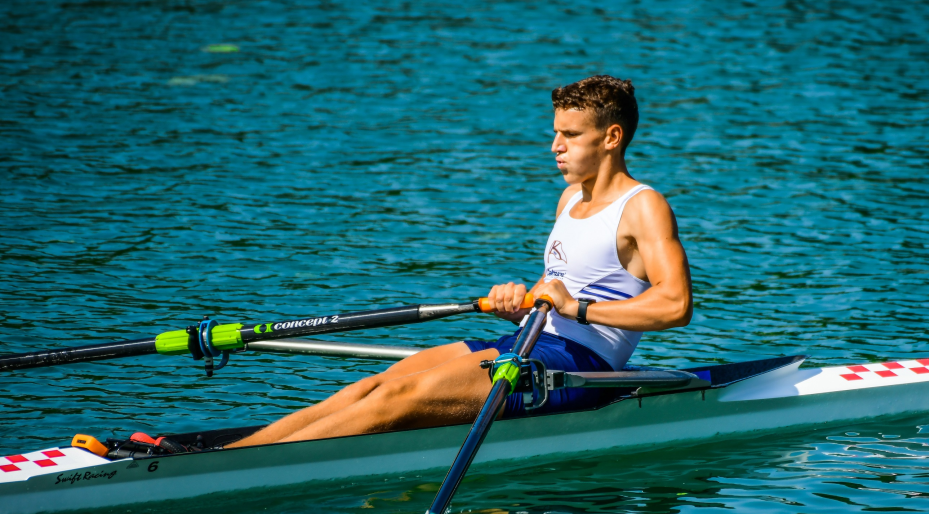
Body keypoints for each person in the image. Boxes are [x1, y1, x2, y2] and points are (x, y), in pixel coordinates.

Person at [227, 75, 692, 448]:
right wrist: (521, 299)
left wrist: (578, 309)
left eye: (570, 135)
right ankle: (231, 455)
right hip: (527, 340)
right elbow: (556, 285)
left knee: (396, 398)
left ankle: (238, 475)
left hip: (577, 365)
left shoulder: (642, 206)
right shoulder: (570, 198)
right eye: (555, 133)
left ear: (612, 137)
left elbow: (674, 305)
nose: (555, 146)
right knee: (372, 385)